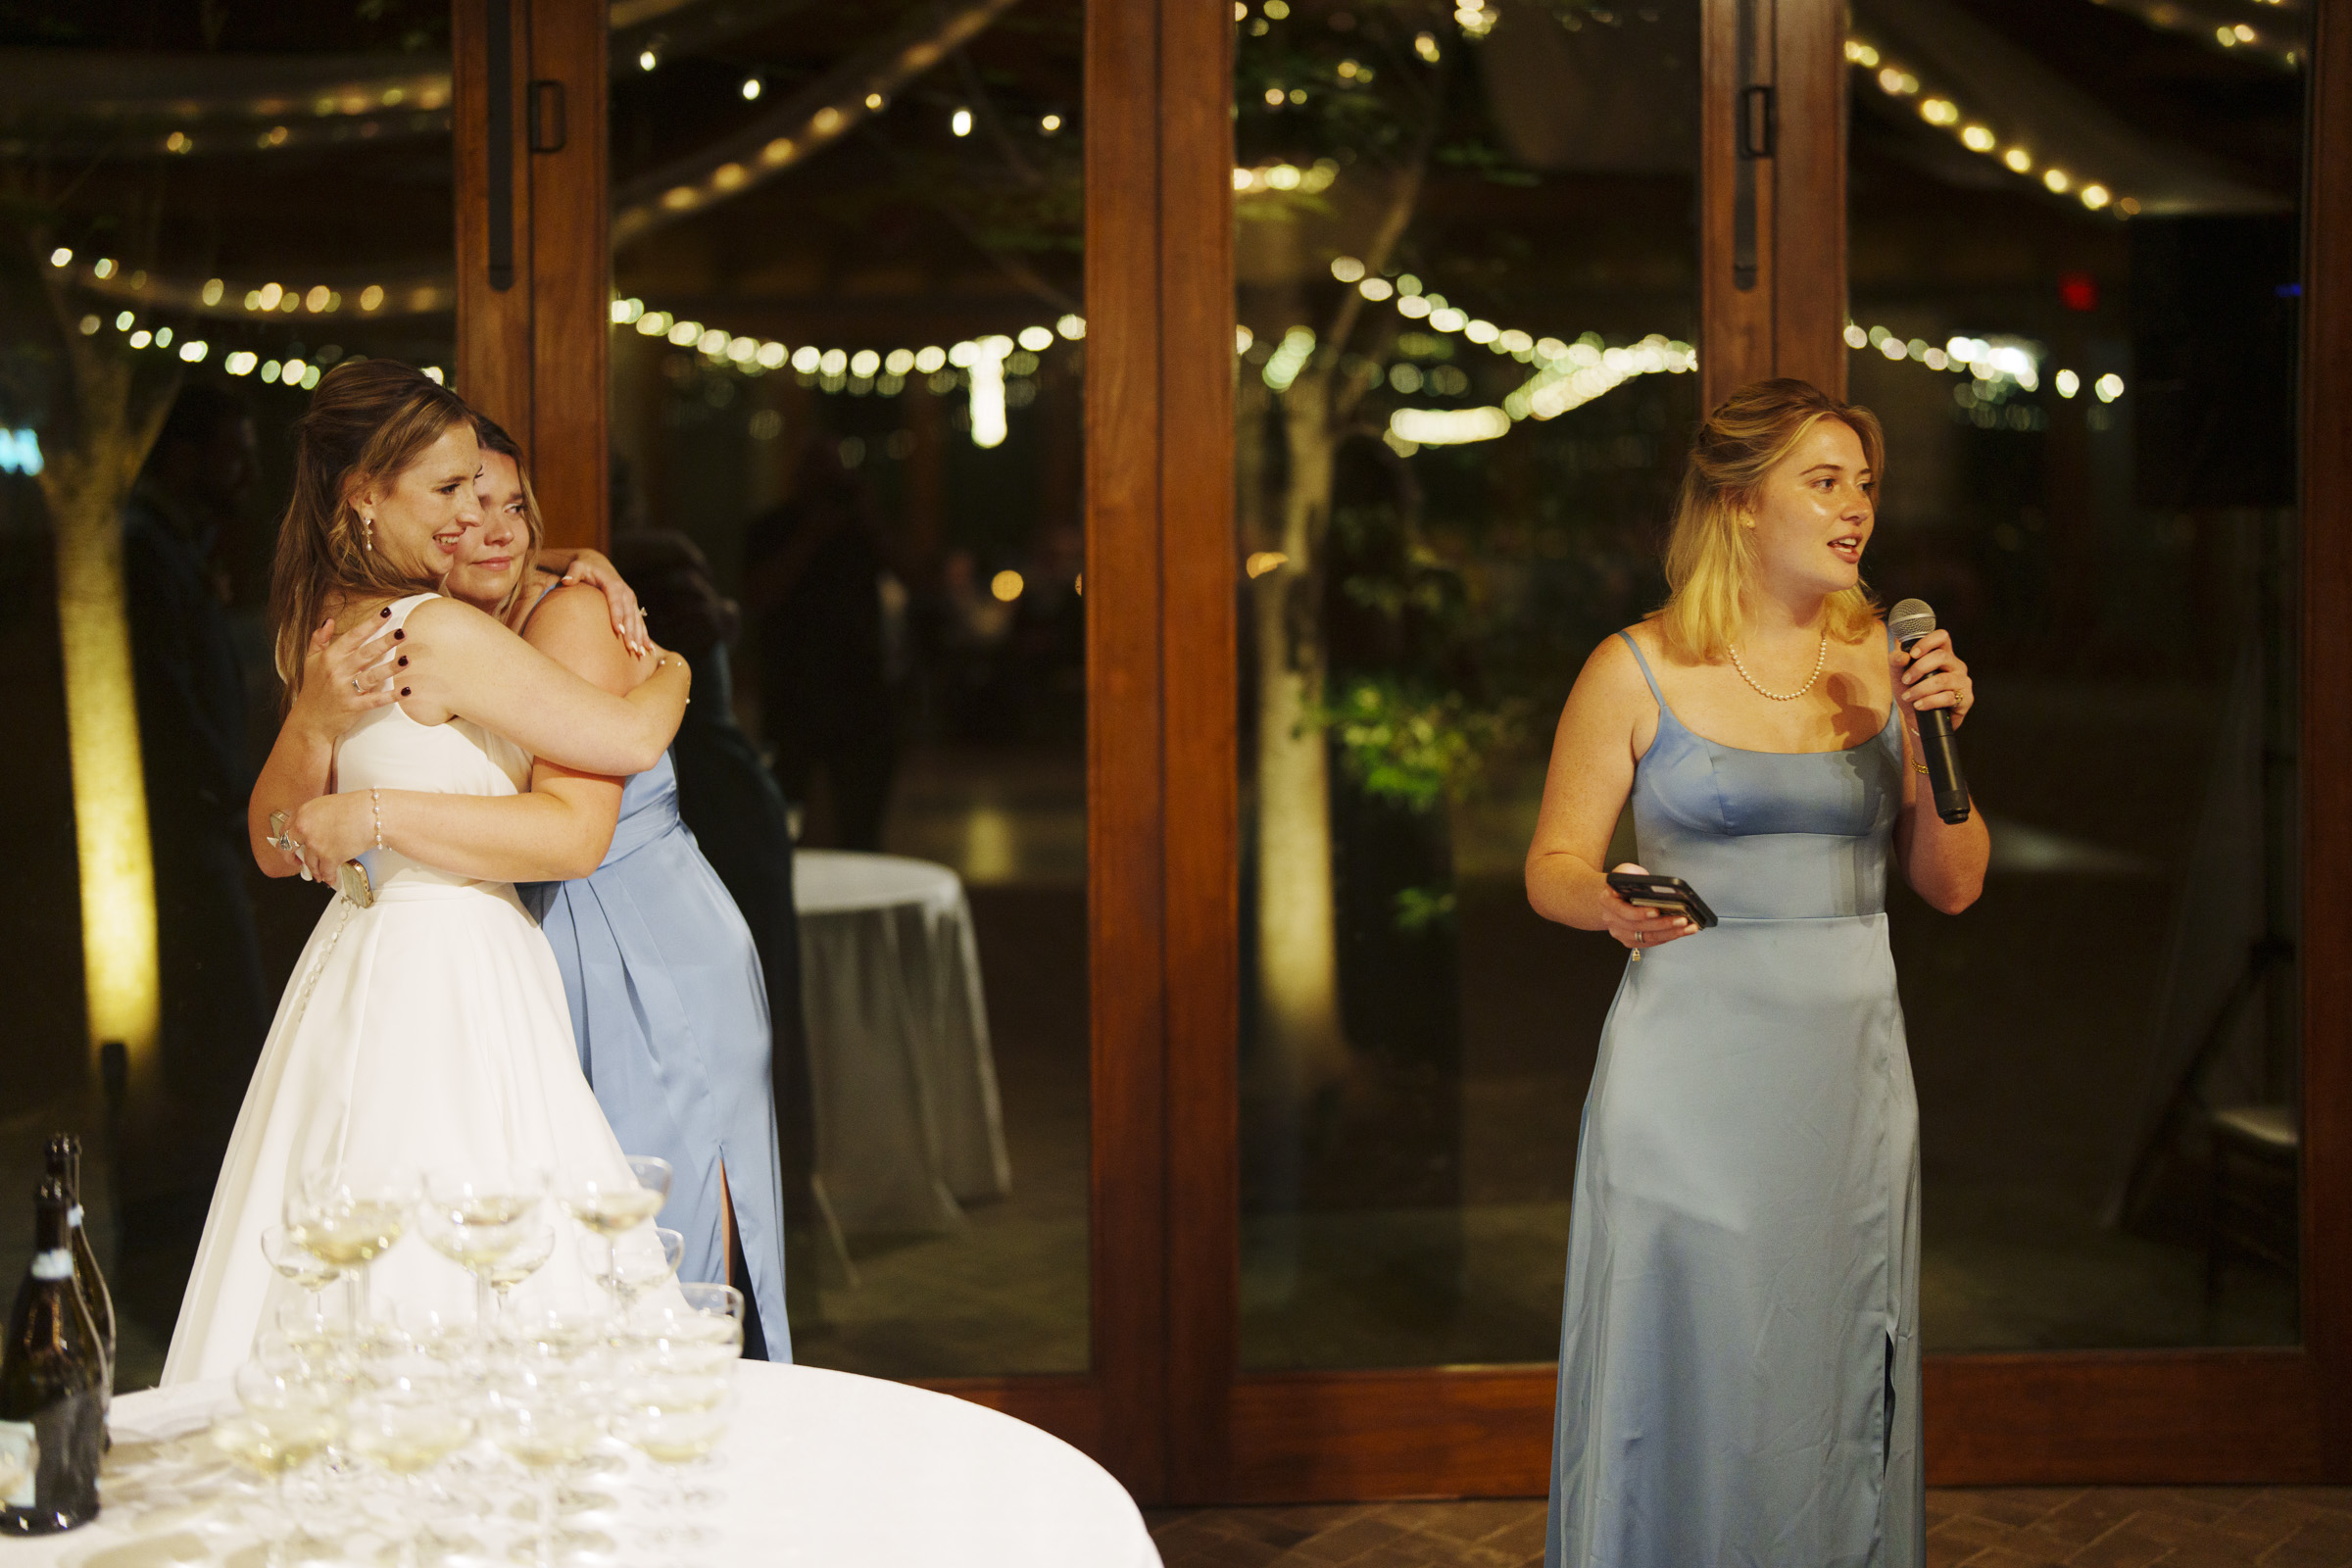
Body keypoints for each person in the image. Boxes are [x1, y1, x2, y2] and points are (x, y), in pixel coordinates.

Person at [1524, 378, 1989, 1567]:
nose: (1857, 512)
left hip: (1843, 1076)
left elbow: (1953, 882)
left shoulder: (1890, 666)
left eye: (1866, 486)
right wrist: (1614, 900)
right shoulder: (1635, 665)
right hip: (1687, 1070)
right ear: (1739, 504)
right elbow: (1554, 867)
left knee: (1831, 1354)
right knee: (1693, 1352)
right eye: (1824, 483)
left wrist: (1944, 747)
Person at [163, 361, 694, 1384]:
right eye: (446, 493)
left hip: (357, 962)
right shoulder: (434, 630)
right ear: (363, 494)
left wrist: (320, 726)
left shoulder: (324, 624)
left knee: (349, 1246)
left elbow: (276, 848)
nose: (468, 518)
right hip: (454, 970)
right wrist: (666, 658)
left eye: (481, 494)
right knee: (477, 1248)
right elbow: (626, 739)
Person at [605, 529, 824, 1318]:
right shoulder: (616, 594)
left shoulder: (639, 611)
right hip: (714, 807)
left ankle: (789, 1193)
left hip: (723, 811)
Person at [121, 384, 272, 1216]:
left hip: (209, 819)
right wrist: (239, 803)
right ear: (185, 456)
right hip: (186, 828)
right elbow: (166, 701)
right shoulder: (145, 548)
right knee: (224, 1028)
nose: (248, 471)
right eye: (233, 452)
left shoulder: (181, 544)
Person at [741, 435, 898, 849]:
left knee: (861, 818)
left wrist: (868, 517)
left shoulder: (861, 529)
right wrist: (811, 536)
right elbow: (760, 595)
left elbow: (911, 576)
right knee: (782, 814)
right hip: (795, 688)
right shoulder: (772, 529)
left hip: (860, 688)